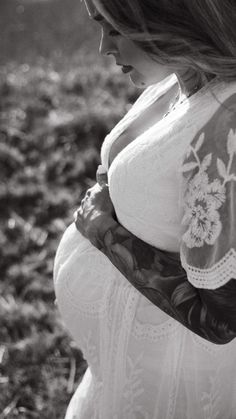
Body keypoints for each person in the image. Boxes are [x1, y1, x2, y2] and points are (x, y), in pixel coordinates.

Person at [53, 0, 236, 418]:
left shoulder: (228, 125)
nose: (103, 48)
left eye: (113, 28)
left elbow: (225, 317)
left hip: (173, 386)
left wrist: (104, 230)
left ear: (165, 17)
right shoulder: (184, 75)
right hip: (127, 366)